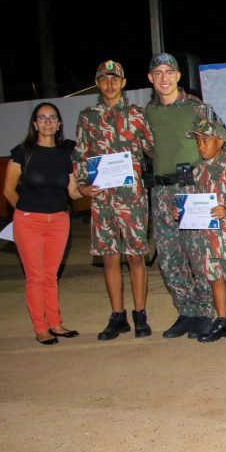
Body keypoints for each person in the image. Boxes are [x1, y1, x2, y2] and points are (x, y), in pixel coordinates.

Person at [146, 53, 226, 339]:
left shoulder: (198, 108)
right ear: (151, 78)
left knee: (200, 255)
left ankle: (205, 312)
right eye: (158, 73)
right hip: (162, 191)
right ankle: (186, 311)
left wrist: (225, 186)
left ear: (178, 76)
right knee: (169, 257)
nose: (164, 78)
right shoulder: (147, 113)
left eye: (169, 72)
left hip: (194, 188)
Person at [73, 61, 155, 340]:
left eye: (114, 79)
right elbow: (81, 153)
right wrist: (83, 186)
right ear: (97, 83)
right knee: (109, 258)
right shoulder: (88, 117)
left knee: (135, 257)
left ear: (123, 82)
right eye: (103, 79)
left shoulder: (137, 115)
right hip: (103, 199)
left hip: (132, 199)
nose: (109, 84)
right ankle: (117, 315)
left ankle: (140, 314)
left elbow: (153, 149)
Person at [3, 102, 82, 345]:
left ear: (59, 124)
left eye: (52, 118)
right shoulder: (22, 152)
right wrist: (27, 214)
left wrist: (94, 189)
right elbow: (8, 191)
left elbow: (74, 192)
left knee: (50, 275)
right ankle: (40, 327)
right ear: (35, 124)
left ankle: (55, 323)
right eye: (42, 118)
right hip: (29, 221)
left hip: (59, 221)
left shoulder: (66, 153)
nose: (48, 122)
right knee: (35, 276)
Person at [178, 119, 226, 343]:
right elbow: (192, 200)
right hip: (207, 235)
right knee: (214, 277)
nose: (201, 146)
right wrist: (180, 210)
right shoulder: (197, 170)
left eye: (206, 140)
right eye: (198, 141)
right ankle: (222, 319)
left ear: (221, 141)